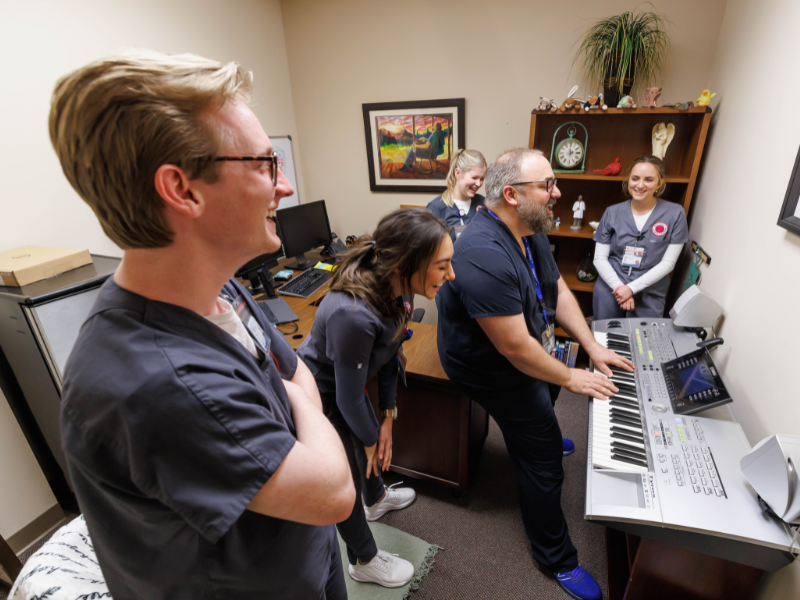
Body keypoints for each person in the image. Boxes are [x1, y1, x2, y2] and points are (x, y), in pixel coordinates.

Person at [50, 51, 355, 600]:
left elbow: (296, 375)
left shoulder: (221, 288)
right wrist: (300, 402)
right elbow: (332, 489)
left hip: (305, 558)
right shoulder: (156, 381)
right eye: (264, 164)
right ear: (182, 189)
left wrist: (295, 397)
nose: (283, 188)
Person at [435, 148, 633, 600]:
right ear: (511, 194)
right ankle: (556, 558)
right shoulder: (480, 251)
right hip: (485, 363)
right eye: (547, 185)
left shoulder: (531, 226)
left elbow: (557, 288)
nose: (556, 193)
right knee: (544, 454)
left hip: (527, 344)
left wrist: (589, 345)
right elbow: (513, 348)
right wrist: (571, 377)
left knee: (548, 389)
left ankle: (536, 426)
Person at [297, 208, 454, 588]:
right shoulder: (352, 313)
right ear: (408, 263)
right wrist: (369, 439)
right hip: (322, 397)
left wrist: (388, 415)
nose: (451, 275)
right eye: (443, 265)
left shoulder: (396, 289)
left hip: (350, 388)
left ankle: (376, 498)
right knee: (344, 477)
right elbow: (349, 401)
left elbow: (388, 356)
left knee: (371, 445)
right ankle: (363, 559)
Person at [592, 156, 689, 319]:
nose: (640, 185)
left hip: (650, 290)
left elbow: (669, 263)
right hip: (611, 287)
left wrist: (631, 288)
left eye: (649, 180)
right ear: (628, 179)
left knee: (642, 342)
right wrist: (620, 288)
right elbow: (599, 258)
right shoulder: (612, 212)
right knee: (605, 338)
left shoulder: (675, 213)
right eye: (635, 178)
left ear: (660, 183)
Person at [426, 149, 487, 241]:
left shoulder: (484, 204)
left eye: (482, 179)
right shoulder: (436, 208)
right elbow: (429, 248)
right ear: (458, 173)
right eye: (474, 178)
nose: (479, 184)